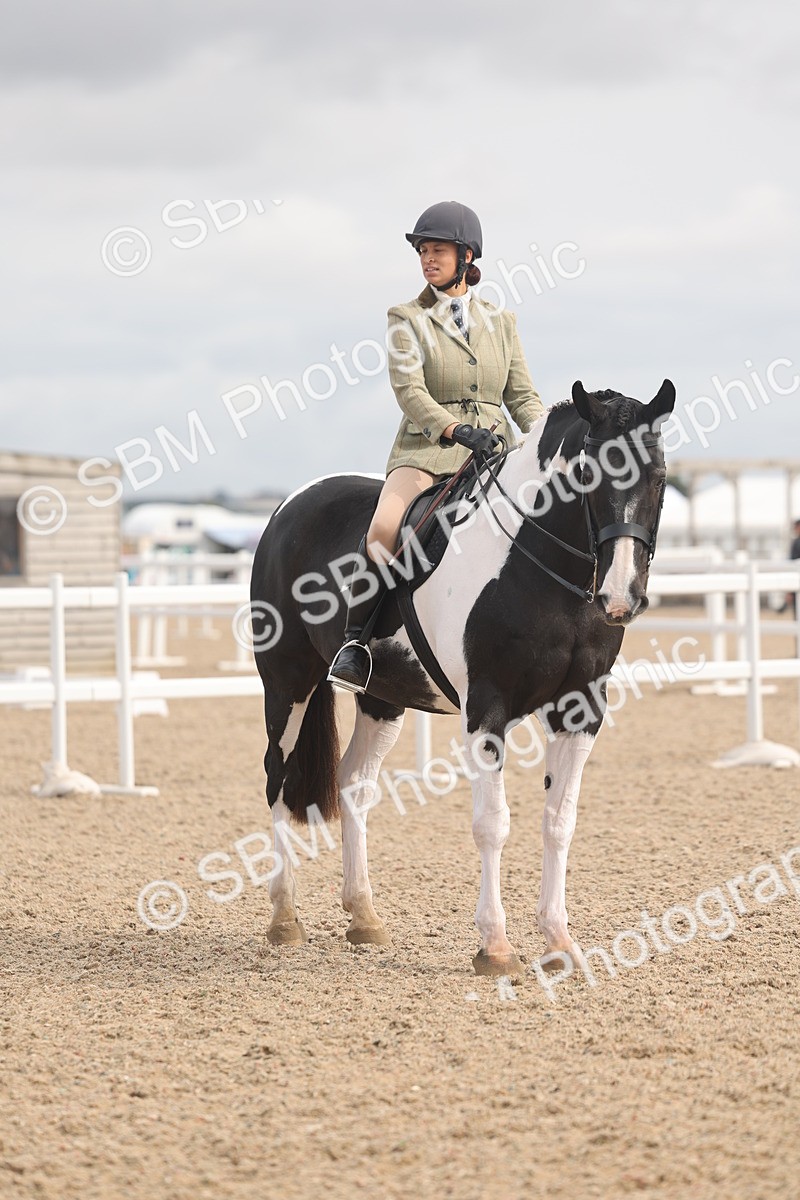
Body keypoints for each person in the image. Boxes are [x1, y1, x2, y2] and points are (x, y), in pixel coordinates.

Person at [327, 200, 545, 693]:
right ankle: (357, 644)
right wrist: (452, 429)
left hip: (493, 450)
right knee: (384, 530)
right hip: (427, 452)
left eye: (438, 250)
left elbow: (522, 395)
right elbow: (410, 391)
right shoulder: (405, 317)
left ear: (466, 256)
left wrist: (542, 432)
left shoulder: (501, 321)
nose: (428, 258)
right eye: (423, 250)